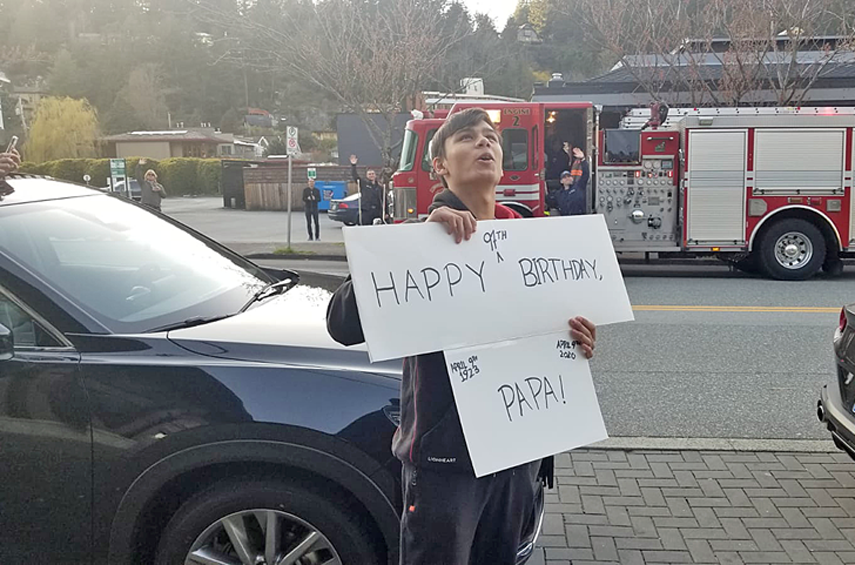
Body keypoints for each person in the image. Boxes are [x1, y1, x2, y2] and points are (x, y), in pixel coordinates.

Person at [327, 109, 597, 565]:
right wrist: (415, 247)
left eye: (491, 138)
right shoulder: (419, 239)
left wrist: (578, 341)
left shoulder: (532, 237)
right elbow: (342, 324)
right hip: (448, 462)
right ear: (440, 166)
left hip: (519, 448)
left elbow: (557, 332)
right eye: (468, 138)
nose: (483, 144)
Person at [350, 154, 383, 225]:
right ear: (367, 176)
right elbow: (355, 176)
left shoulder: (379, 187)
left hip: (377, 211)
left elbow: (384, 199)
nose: (371, 175)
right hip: (367, 211)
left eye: (372, 174)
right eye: (369, 174)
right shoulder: (364, 184)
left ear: (375, 175)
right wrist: (353, 165)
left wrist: (385, 212)